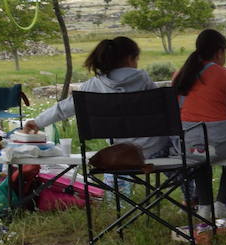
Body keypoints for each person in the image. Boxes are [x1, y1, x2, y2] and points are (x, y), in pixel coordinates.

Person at [23, 37, 171, 158]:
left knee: (115, 163)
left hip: (119, 153)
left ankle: (112, 191)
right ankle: (190, 192)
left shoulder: (92, 85)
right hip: (155, 150)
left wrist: (37, 122)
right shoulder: (144, 81)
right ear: (130, 59)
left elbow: (63, 109)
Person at [172, 29, 226, 222]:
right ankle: (221, 204)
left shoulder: (180, 75)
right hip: (220, 145)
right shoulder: (225, 75)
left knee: (200, 152)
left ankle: (204, 207)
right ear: (220, 52)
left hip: (187, 146)